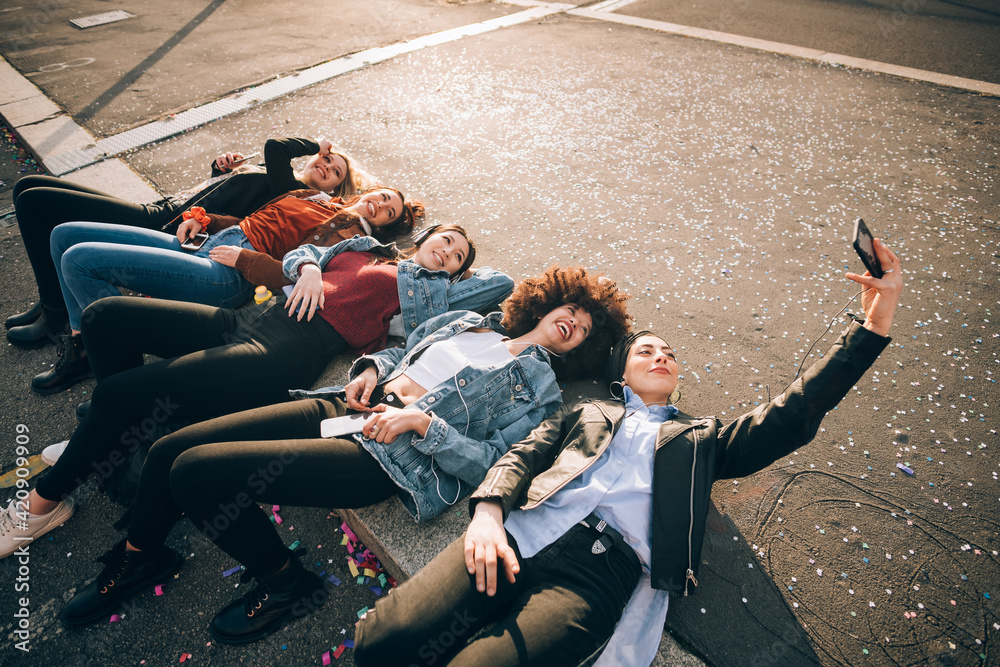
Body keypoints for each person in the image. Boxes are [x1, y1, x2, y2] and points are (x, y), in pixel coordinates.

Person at [352, 239, 904, 667]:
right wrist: (489, 516)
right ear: (622, 371)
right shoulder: (588, 414)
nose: (661, 355)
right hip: (517, 535)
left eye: (668, 353)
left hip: (597, 576)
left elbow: (791, 416)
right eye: (646, 349)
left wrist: (872, 326)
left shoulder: (702, 440)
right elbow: (523, 456)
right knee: (381, 642)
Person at [50, 267, 631, 645]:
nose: (571, 322)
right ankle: (141, 557)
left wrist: (424, 424)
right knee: (171, 447)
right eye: (572, 310)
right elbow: (405, 349)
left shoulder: (543, 394)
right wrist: (371, 367)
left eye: (582, 330)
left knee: (196, 473)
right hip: (346, 410)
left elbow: (489, 464)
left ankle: (286, 583)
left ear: (579, 350)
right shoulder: (470, 323)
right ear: (550, 301)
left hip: (385, 457)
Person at [0, 225, 513, 561]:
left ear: (455, 273)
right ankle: (122, 446)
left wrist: (445, 274)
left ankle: (43, 507)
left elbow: (502, 285)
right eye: (444, 239)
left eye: (456, 256)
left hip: (280, 350)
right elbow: (304, 253)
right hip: (245, 319)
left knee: (121, 395)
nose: (446, 251)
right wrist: (310, 268)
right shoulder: (365, 247)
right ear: (423, 235)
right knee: (104, 317)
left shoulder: (428, 296)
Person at [30, 185, 420, 395]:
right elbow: (253, 222)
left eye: (388, 213)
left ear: (384, 227)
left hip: (230, 274)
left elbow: (293, 276)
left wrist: (246, 261)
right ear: (372, 190)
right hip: (211, 241)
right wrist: (202, 218)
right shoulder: (313, 197)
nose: (380, 206)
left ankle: (111, 373)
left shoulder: (350, 237)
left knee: (80, 259)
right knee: (65, 236)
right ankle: (84, 340)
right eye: (384, 197)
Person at [6, 137, 369, 347]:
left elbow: (276, 148)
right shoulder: (294, 192)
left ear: (336, 190)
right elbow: (233, 209)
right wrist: (219, 172)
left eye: (334, 169)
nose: (325, 165)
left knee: (46, 215)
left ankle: (91, 339)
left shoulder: (290, 189)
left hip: (170, 226)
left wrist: (317, 145)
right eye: (324, 159)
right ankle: (63, 315)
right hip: (182, 219)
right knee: (44, 209)